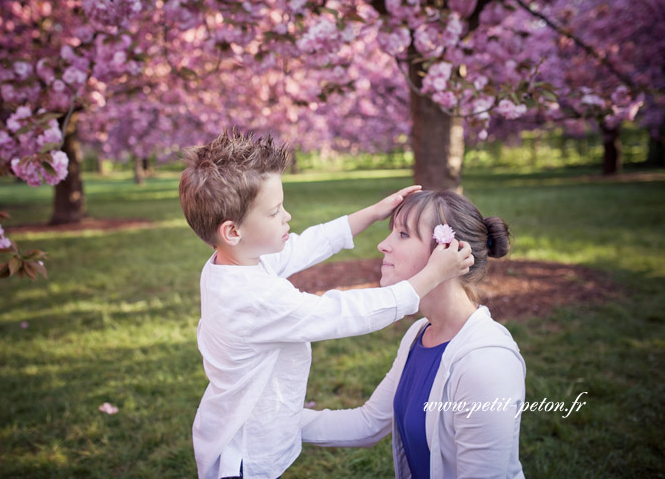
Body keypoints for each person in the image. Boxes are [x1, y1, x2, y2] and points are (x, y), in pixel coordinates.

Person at [178, 130, 474, 479]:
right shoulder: (255, 300)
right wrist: (430, 276)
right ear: (233, 231)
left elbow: (307, 245)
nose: (287, 216)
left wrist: (373, 213)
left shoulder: (232, 263)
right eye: (274, 213)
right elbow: (344, 313)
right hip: (244, 454)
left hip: (236, 430)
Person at [301, 190, 527, 479]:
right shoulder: (419, 334)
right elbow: (368, 423)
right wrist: (264, 422)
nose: (383, 245)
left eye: (403, 234)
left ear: (447, 252)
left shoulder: (486, 363)